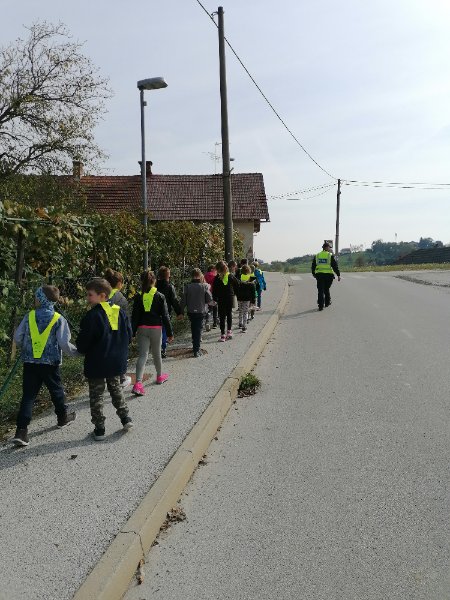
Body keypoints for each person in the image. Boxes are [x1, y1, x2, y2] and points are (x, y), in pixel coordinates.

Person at [11, 285, 78, 447]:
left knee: (28, 395)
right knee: (56, 391)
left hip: (30, 362)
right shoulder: (58, 319)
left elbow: (18, 337)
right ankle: (62, 417)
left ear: (41, 299)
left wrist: (26, 346)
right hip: (50, 364)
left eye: (36, 297)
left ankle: (21, 431)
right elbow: (64, 343)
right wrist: (77, 352)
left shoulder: (29, 316)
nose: (35, 299)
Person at [76, 278, 133, 441]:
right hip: (115, 362)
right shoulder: (119, 311)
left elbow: (84, 342)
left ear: (102, 295)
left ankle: (99, 428)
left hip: (97, 363)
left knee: (96, 396)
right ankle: (126, 418)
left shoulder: (92, 316)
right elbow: (129, 335)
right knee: (116, 389)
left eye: (90, 295)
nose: (87, 298)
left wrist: (80, 349)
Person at [131, 270, 173, 396]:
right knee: (156, 354)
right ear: (154, 281)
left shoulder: (138, 296)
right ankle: (159, 376)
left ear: (141, 281)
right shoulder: (160, 296)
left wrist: (132, 333)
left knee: (143, 355)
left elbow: (135, 317)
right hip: (156, 328)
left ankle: (138, 383)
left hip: (142, 328)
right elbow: (165, 316)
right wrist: (170, 332)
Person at [104, 268, 132, 388]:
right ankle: (122, 378)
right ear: (119, 283)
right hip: (118, 331)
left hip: (105, 330)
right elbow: (126, 319)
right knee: (120, 355)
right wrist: (129, 335)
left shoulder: (103, 295)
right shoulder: (121, 298)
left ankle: (108, 377)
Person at [181, 268, 213, 357]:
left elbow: (183, 301)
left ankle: (194, 345)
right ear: (200, 275)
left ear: (192, 276)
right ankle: (196, 350)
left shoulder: (187, 287)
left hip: (191, 311)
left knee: (193, 328)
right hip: (200, 311)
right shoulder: (204, 286)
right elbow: (209, 299)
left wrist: (181, 311)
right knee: (198, 329)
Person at [156, 266, 183, 358]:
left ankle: (157, 347)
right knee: (164, 331)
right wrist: (179, 312)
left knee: (157, 331)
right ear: (168, 276)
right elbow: (174, 301)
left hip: (154, 313)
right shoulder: (169, 287)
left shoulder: (154, 286)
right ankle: (162, 349)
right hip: (165, 313)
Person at [212, 261, 239, 342]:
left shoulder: (217, 278)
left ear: (218, 269)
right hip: (230, 297)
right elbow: (237, 284)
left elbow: (214, 290)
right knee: (229, 314)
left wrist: (215, 299)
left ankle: (223, 335)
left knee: (222, 316)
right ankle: (229, 332)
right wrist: (234, 293)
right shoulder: (230, 276)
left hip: (221, 299)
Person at [311, 242, 341, 311]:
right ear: (327, 248)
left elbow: (313, 265)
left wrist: (314, 274)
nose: (330, 249)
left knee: (320, 290)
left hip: (319, 275)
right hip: (328, 275)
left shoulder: (317, 255)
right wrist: (338, 274)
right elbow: (334, 266)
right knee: (326, 289)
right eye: (329, 247)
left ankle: (320, 306)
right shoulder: (329, 255)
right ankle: (327, 302)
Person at [236, 265, 256, 332]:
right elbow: (253, 292)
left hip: (239, 297)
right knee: (245, 312)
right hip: (247, 298)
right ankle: (244, 326)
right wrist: (253, 301)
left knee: (240, 311)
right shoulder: (251, 278)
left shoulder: (239, 278)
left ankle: (240, 323)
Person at [203, 265, 218, 330]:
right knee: (215, 308)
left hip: (206, 294)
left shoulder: (204, 276)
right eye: (215, 269)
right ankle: (214, 323)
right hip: (213, 293)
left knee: (208, 309)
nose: (216, 271)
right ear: (212, 269)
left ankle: (207, 322)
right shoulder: (214, 276)